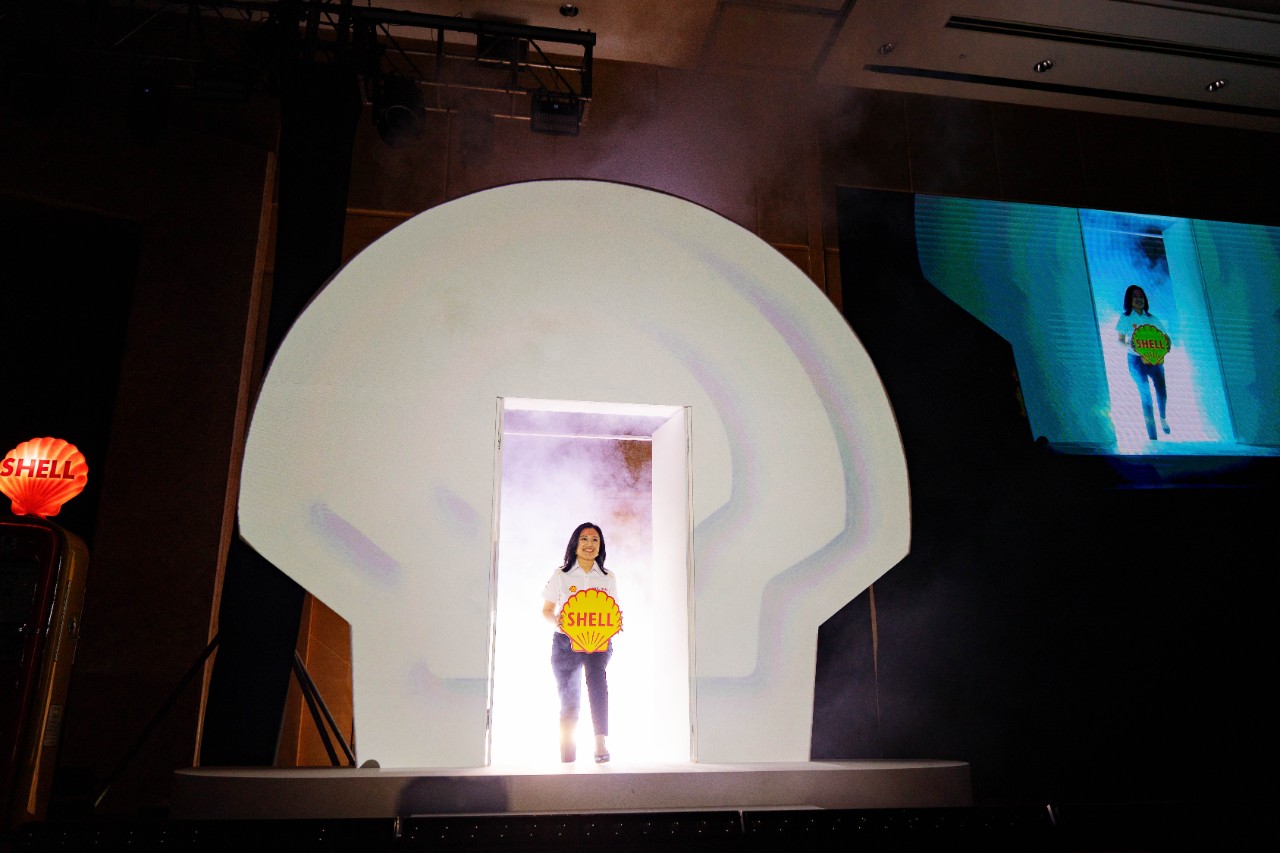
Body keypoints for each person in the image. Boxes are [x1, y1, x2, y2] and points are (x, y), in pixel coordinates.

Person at [541, 522, 618, 764]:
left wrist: (607, 631)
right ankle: (568, 755)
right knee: (569, 698)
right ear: (575, 544)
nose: (589, 544)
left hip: (598, 642)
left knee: (598, 687)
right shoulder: (561, 575)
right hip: (566, 643)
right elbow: (547, 610)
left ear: (600, 546)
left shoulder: (608, 577)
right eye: (584, 539)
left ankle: (600, 745)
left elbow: (613, 610)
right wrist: (560, 624)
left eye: (595, 540)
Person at [1115, 284, 1172, 440]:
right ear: (1129, 299)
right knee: (1146, 395)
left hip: (1155, 360)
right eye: (1135, 296)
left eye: (1141, 296)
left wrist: (1167, 344)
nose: (1138, 299)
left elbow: (1165, 336)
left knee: (1161, 391)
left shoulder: (1152, 318)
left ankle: (1163, 418)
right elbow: (1119, 341)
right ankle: (1152, 436)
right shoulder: (1126, 317)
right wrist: (1130, 345)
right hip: (1136, 360)